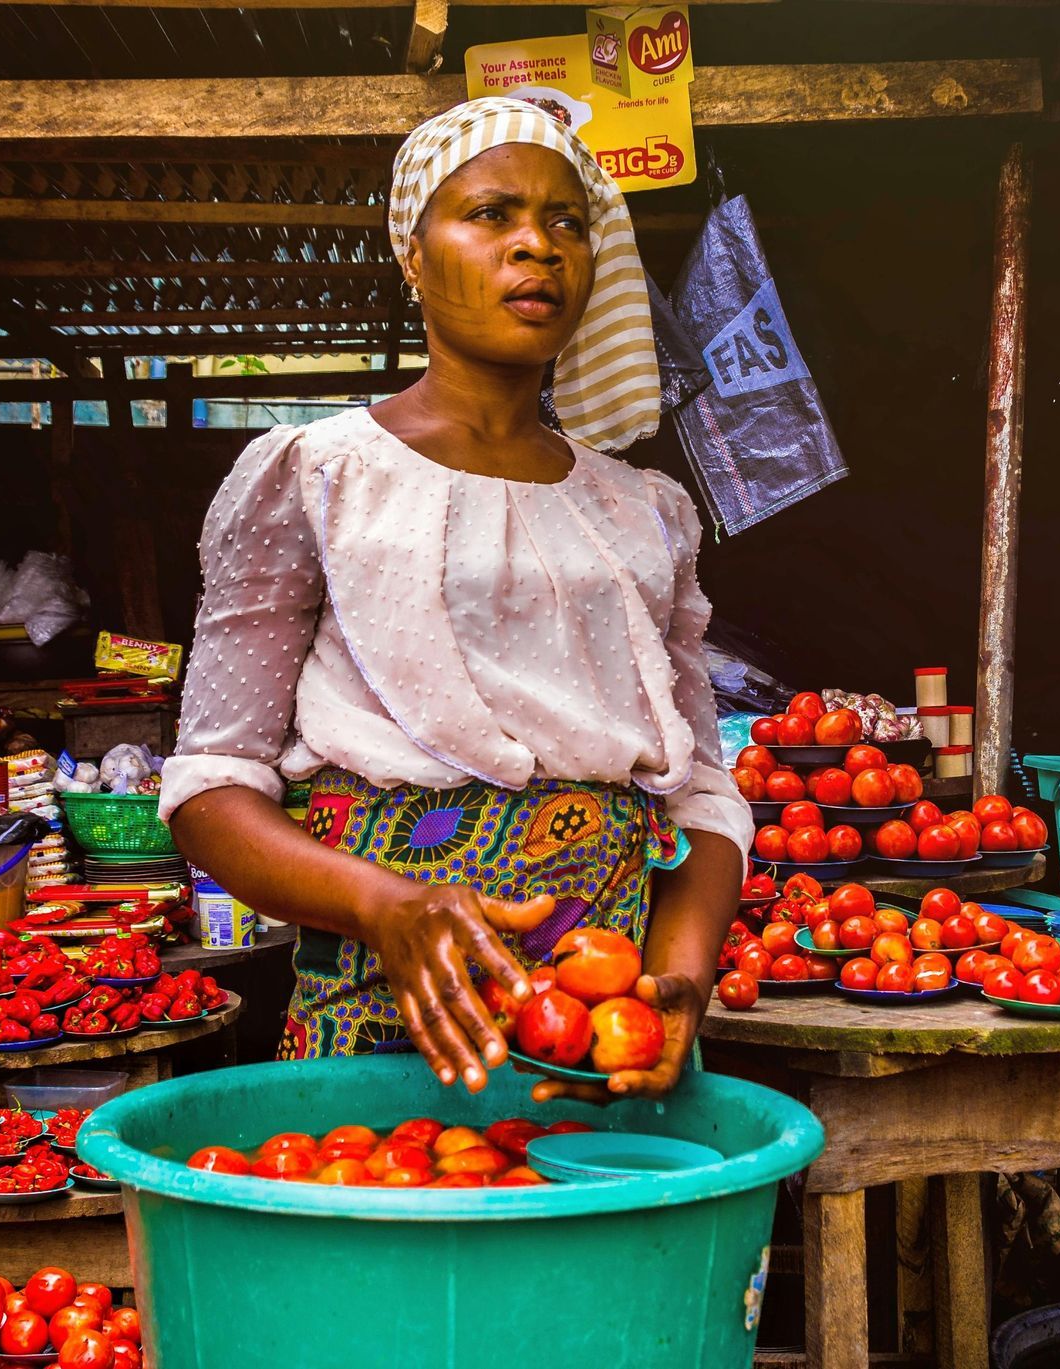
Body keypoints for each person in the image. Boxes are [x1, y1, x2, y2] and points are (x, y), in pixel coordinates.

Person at [161, 98, 753, 1101]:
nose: (538, 244)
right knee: (390, 1234)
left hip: (605, 1038)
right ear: (414, 255)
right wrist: (389, 908)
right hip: (382, 1015)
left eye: (568, 221)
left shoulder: (644, 510)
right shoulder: (315, 475)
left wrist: (677, 981)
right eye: (491, 214)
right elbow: (213, 788)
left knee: (606, 1252)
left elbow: (700, 792)